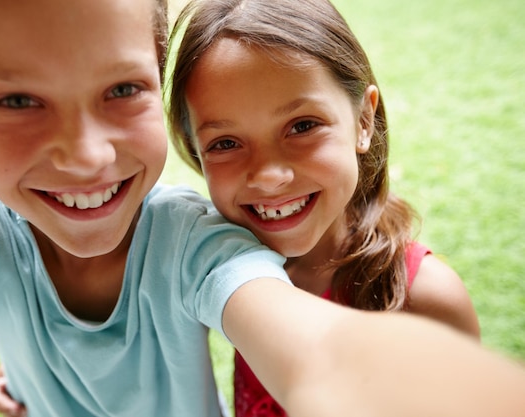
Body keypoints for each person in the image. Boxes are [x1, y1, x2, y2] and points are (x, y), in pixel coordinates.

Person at [0, 1, 525, 417]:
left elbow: (319, 347)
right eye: (16, 100)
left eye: (122, 89)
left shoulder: (193, 240)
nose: (87, 158)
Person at [165, 0, 483, 415]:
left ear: (363, 121)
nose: (268, 175)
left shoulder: (424, 298)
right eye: (225, 143)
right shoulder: (226, 270)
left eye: (302, 126)